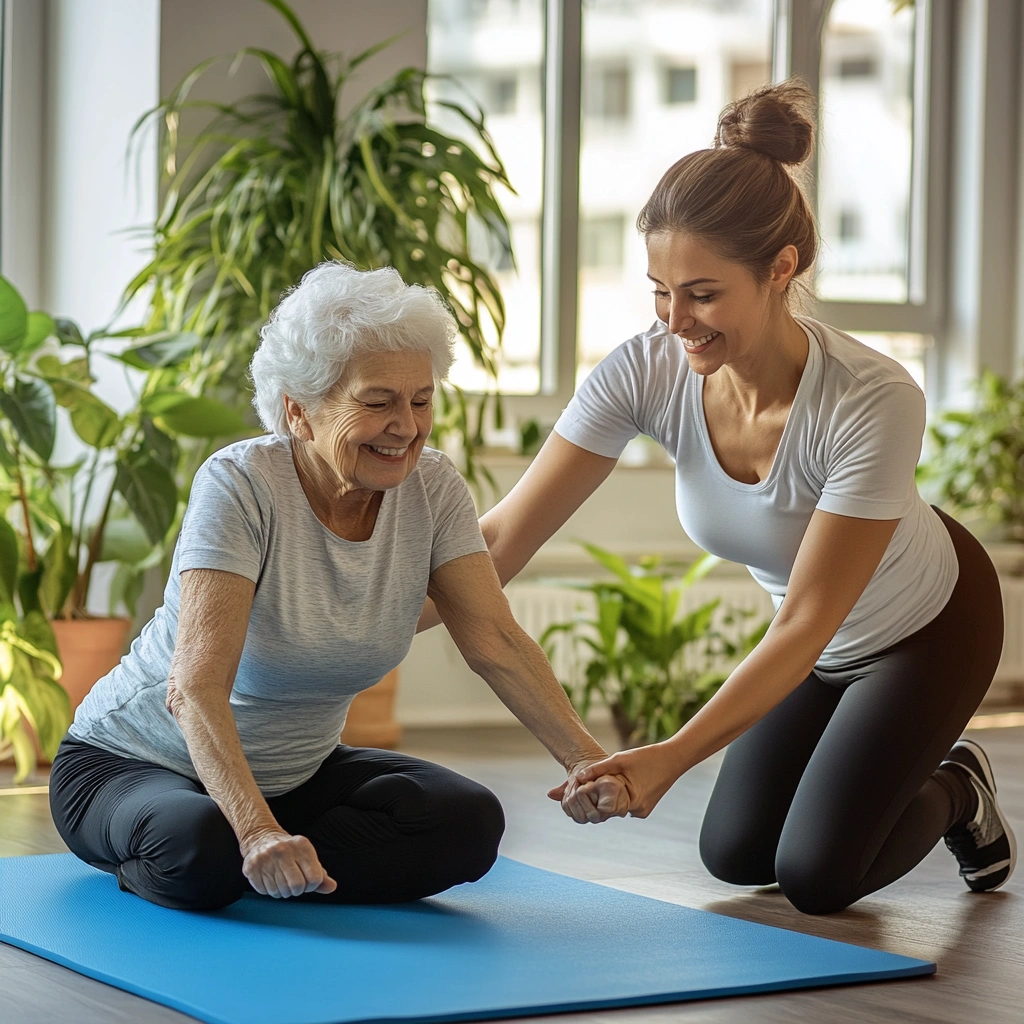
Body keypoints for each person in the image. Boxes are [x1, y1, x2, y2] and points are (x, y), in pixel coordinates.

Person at [419, 79, 1016, 915]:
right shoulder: (645, 368)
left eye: (702, 294)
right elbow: (504, 535)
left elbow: (806, 620)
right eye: (660, 290)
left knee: (818, 877)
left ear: (781, 269)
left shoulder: (872, 396)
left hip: (927, 628)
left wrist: (671, 755)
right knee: (735, 856)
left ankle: (960, 785)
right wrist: (358, 616)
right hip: (812, 645)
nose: (676, 320)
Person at [49, 262, 627, 912]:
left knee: (467, 822)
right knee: (202, 847)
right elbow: (195, 688)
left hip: (296, 777)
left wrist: (586, 761)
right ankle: (242, 853)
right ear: (298, 412)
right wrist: (255, 827)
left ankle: (270, 863)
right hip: (135, 764)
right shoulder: (241, 486)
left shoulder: (433, 488)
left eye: (421, 400)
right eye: (377, 402)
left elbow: (495, 639)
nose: (406, 426)